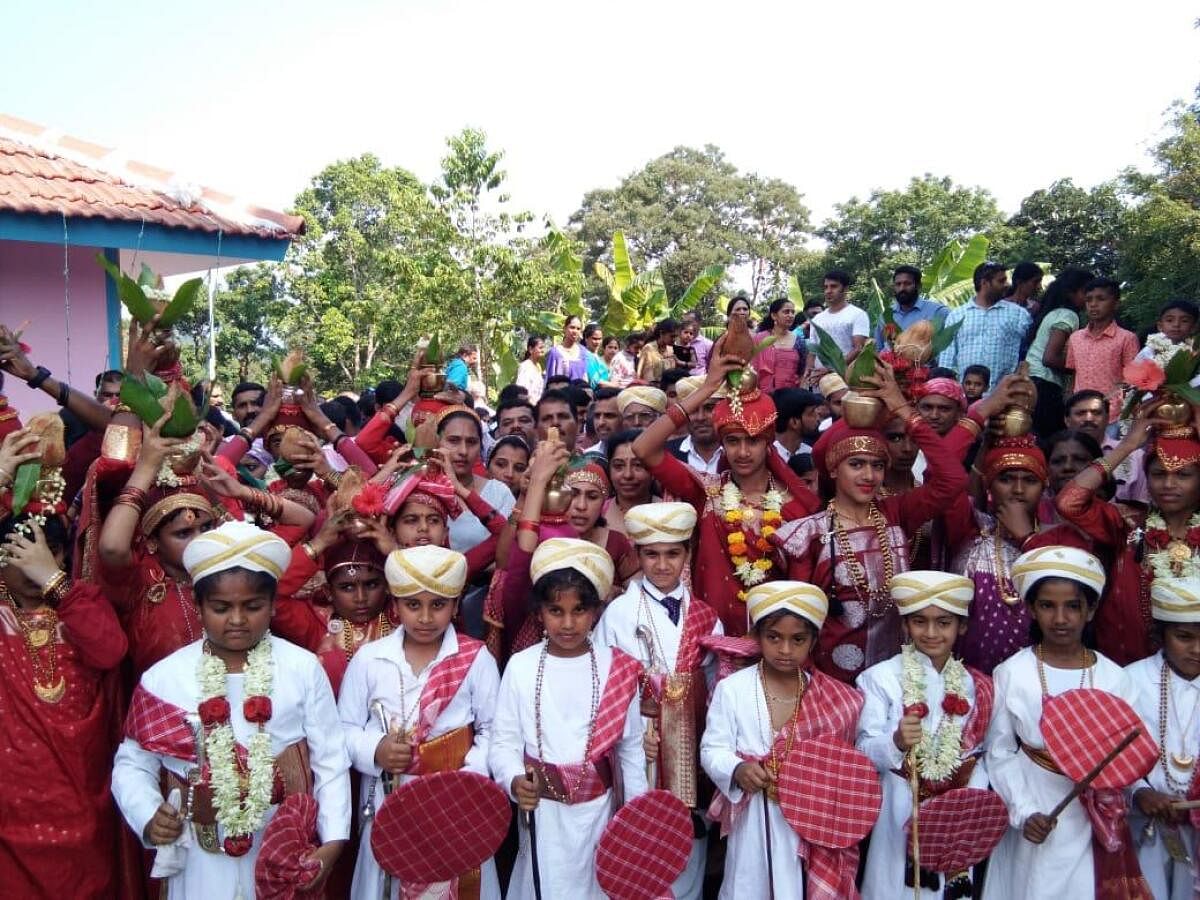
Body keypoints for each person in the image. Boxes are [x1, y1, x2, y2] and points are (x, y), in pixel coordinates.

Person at [112, 521, 350, 899]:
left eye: (252, 606)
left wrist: (334, 839)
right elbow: (133, 763)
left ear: (273, 605)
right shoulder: (165, 677)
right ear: (198, 604)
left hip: (281, 850)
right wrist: (148, 814)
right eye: (221, 608)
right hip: (197, 856)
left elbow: (330, 760)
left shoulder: (302, 668)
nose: (237, 620)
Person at [776, 361, 969, 682]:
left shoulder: (896, 514)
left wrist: (903, 409)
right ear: (834, 469)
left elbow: (952, 479)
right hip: (833, 679)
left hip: (898, 675)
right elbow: (798, 622)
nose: (869, 476)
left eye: (878, 465)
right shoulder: (809, 533)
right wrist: (860, 401)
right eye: (856, 464)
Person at [984, 545, 1149, 900]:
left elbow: (1133, 757)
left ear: (1090, 611)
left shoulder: (1114, 679)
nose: (1060, 618)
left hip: (1097, 818)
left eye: (1072, 606)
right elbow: (999, 752)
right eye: (1047, 606)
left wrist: (1137, 793)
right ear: (1030, 609)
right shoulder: (1013, 673)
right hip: (1035, 810)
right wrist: (1024, 811)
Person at [339, 545, 501, 899]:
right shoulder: (369, 659)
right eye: (413, 605)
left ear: (456, 606)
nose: (425, 617)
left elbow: (494, 732)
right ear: (395, 606)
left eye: (438, 605)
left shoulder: (475, 659)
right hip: (389, 801)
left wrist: (466, 783)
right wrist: (376, 749)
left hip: (457, 803)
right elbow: (344, 730)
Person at [490, 538, 647, 900]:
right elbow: (504, 742)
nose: (568, 623)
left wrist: (635, 818)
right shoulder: (522, 665)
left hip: (600, 812)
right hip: (541, 811)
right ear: (540, 612)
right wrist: (515, 781)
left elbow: (631, 750)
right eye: (556, 611)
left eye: (579, 611)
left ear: (595, 611)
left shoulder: (617, 666)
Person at [633, 354, 820, 635]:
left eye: (753, 441)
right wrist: (708, 388)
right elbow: (643, 448)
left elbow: (801, 585)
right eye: (733, 441)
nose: (742, 452)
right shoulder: (705, 490)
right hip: (711, 638)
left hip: (774, 643)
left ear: (768, 442)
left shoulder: (794, 506)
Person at [701, 580, 865, 899]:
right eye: (774, 638)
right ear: (757, 637)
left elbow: (844, 769)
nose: (785, 650)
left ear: (813, 640)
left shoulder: (834, 699)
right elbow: (711, 748)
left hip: (809, 824)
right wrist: (737, 769)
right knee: (748, 885)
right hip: (753, 820)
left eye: (797, 640)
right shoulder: (733, 689)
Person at [594, 502, 721, 900]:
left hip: (691, 743)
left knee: (689, 832)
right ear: (637, 556)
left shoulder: (705, 615)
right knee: (644, 834)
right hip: (641, 743)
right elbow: (606, 684)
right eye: (651, 554)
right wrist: (632, 731)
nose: (662, 564)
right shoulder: (618, 613)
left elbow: (716, 682)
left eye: (672, 553)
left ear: (686, 554)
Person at [0, 508, 128, 899]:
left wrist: (53, 580)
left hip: (81, 786)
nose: (40, 562)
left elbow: (110, 651)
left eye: (53, 551)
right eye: (22, 552)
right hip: (12, 797)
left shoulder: (79, 601)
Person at [857, 571, 993, 900]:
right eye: (920, 622)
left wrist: (963, 799)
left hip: (955, 812)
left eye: (943, 623)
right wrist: (896, 742)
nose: (931, 633)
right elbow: (862, 750)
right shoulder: (879, 678)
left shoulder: (978, 686)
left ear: (961, 627)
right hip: (899, 803)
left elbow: (982, 754)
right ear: (905, 625)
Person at [1126, 577, 1200, 899]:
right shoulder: (1130, 680)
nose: (1197, 650)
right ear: (1160, 636)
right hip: (1146, 826)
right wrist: (1140, 792)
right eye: (1184, 637)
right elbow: (1113, 759)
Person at [1024, 267, 1092, 437]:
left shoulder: (1053, 313)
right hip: (1045, 385)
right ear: (1071, 293)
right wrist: (1083, 368)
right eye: (1087, 293)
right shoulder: (1068, 316)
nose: (1090, 300)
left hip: (1031, 380)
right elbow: (1050, 358)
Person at [938, 262, 1031, 385]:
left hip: (1004, 393)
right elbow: (947, 360)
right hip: (965, 395)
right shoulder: (957, 315)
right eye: (1001, 281)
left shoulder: (1019, 314)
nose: (1007, 285)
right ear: (984, 283)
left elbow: (1030, 353)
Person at [1065, 277, 1139, 423]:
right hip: (1080, 412)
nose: (1093, 304)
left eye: (1100, 299)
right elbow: (1073, 374)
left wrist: (1123, 410)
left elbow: (1132, 380)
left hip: (1113, 415)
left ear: (1116, 303)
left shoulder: (1126, 338)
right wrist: (1069, 401)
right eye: (1089, 300)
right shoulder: (1076, 338)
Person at [874, 265, 948, 350]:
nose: (902, 288)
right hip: (890, 362)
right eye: (898, 284)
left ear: (918, 286)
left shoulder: (938, 312)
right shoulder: (886, 317)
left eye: (907, 284)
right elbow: (878, 350)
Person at [605, 429, 660, 537]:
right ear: (609, 470)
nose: (628, 475)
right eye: (618, 466)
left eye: (638, 465)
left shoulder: (668, 510)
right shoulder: (597, 513)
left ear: (653, 470)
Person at [666, 376, 723, 475]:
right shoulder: (668, 453)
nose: (700, 417)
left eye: (709, 408)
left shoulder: (738, 453)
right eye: (693, 410)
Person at [810, 270, 869, 366]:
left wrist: (831, 369)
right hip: (818, 377)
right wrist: (808, 372)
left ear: (845, 289)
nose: (828, 291)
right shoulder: (817, 319)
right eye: (826, 287)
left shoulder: (858, 315)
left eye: (833, 286)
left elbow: (858, 348)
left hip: (844, 377)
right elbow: (812, 352)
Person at [754, 298, 804, 393]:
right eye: (786, 312)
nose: (790, 315)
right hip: (764, 395)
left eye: (793, 312)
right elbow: (753, 368)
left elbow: (802, 370)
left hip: (791, 395)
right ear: (774, 315)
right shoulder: (760, 338)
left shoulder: (798, 340)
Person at [1134, 299, 1200, 366]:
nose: (1176, 324)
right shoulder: (1151, 350)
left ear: (1193, 328)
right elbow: (1135, 371)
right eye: (1169, 320)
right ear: (1160, 326)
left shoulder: (1195, 350)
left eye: (1184, 321)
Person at [772, 388, 824, 462]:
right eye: (811, 413)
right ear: (794, 422)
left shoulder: (810, 452)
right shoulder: (770, 458)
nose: (818, 418)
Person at [544, 315, 589, 384]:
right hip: (560, 393)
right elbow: (549, 379)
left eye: (578, 329)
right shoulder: (555, 353)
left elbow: (585, 377)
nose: (575, 331)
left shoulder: (583, 352)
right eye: (572, 327)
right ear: (564, 328)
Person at [486, 434, 530, 500]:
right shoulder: (469, 502)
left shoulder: (533, 507)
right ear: (487, 467)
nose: (510, 474)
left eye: (519, 468)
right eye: (500, 464)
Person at [535, 389, 579, 454]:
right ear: (536, 430)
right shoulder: (523, 463)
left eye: (563, 416)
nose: (555, 423)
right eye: (547, 418)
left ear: (577, 425)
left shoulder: (593, 461)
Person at [637, 319, 680, 385]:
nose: (674, 339)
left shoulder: (670, 349)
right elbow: (648, 376)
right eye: (672, 336)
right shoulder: (649, 348)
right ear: (661, 333)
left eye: (676, 336)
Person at [585, 386, 622, 453]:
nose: (601, 422)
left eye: (609, 416)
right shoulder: (588, 456)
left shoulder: (641, 455)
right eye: (597, 416)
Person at [515, 335, 546, 404]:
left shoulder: (538, 366)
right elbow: (521, 391)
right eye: (540, 348)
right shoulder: (525, 366)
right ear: (531, 349)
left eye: (543, 348)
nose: (543, 350)